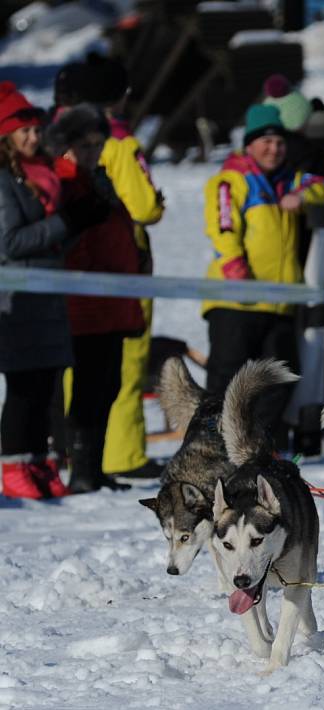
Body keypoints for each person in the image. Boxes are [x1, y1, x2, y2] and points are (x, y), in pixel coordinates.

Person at [56, 52, 167, 480]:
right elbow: (143, 206)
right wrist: (155, 202)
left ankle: (81, 455)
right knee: (124, 360)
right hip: (120, 258)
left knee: (80, 366)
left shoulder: (63, 137)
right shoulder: (119, 141)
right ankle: (122, 455)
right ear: (118, 97)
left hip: (82, 260)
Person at [201, 104, 324, 433]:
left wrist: (302, 196)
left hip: (279, 302)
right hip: (237, 301)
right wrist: (235, 265)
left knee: (279, 381)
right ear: (250, 144)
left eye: (279, 143)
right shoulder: (232, 180)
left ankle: (258, 452)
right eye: (266, 142)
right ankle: (212, 450)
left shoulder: (291, 180)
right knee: (226, 384)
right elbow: (223, 225)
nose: (273, 149)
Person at [0, 82, 98, 499]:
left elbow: (51, 242)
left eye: (37, 130)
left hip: (49, 296)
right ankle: (13, 464)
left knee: (45, 385)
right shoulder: (3, 182)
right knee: (23, 387)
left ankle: (40, 461)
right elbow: (10, 243)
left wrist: (77, 224)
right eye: (24, 131)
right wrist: (65, 223)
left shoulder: (40, 177)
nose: (34, 138)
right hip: (19, 300)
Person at [45, 104, 145, 493]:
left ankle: (95, 466)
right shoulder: (64, 182)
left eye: (97, 144)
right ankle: (82, 469)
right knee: (87, 389)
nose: (92, 152)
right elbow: (69, 242)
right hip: (85, 303)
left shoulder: (96, 180)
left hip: (113, 300)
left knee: (109, 385)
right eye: (83, 145)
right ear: (66, 146)